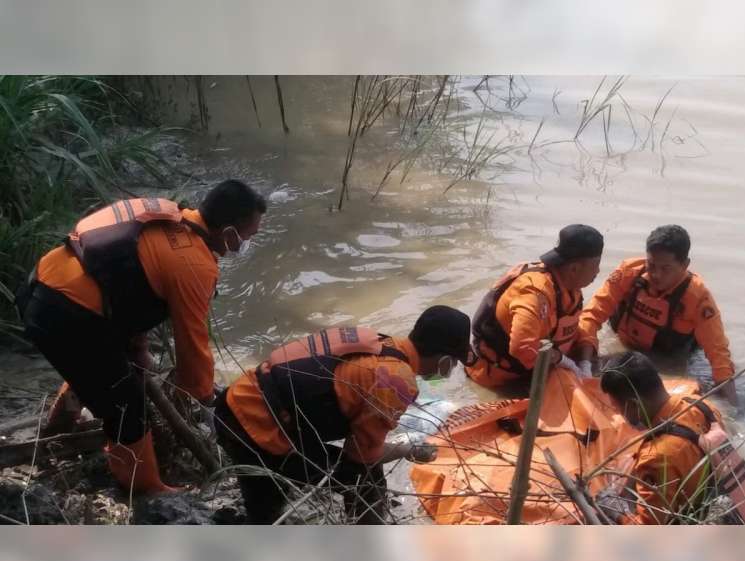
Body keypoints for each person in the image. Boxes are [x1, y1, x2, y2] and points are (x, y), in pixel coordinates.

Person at [16, 180, 266, 495]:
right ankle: (145, 486)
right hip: (66, 315)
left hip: (39, 288)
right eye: (248, 235)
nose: (246, 243)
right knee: (127, 402)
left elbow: (126, 277)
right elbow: (193, 348)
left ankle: (57, 429)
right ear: (229, 232)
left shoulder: (169, 216)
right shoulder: (195, 264)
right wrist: (202, 401)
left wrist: (138, 346)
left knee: (101, 368)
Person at [214, 305, 473, 524]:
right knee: (365, 482)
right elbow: (361, 457)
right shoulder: (397, 382)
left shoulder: (381, 343)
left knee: (269, 501)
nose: (450, 371)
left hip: (239, 402)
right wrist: (407, 450)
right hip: (255, 431)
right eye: (453, 363)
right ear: (444, 361)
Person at [577, 225, 738, 404]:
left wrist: (732, 407)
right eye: (651, 265)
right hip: (623, 349)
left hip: (666, 362)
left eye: (666, 268)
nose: (656, 274)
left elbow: (719, 355)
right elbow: (591, 315)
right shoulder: (628, 273)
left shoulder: (699, 299)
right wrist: (584, 364)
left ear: (684, 265)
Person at [597, 352, 745, 525]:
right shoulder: (701, 405)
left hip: (689, 518)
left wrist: (615, 509)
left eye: (618, 408)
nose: (619, 414)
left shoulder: (656, 457)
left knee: (604, 506)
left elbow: (648, 527)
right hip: (719, 500)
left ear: (634, 404)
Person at [466, 224, 603, 389]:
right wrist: (564, 361)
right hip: (503, 381)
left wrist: (584, 363)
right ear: (574, 268)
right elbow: (522, 348)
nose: (598, 272)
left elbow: (575, 327)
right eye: (595, 266)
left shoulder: (569, 286)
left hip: (539, 371)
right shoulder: (533, 293)